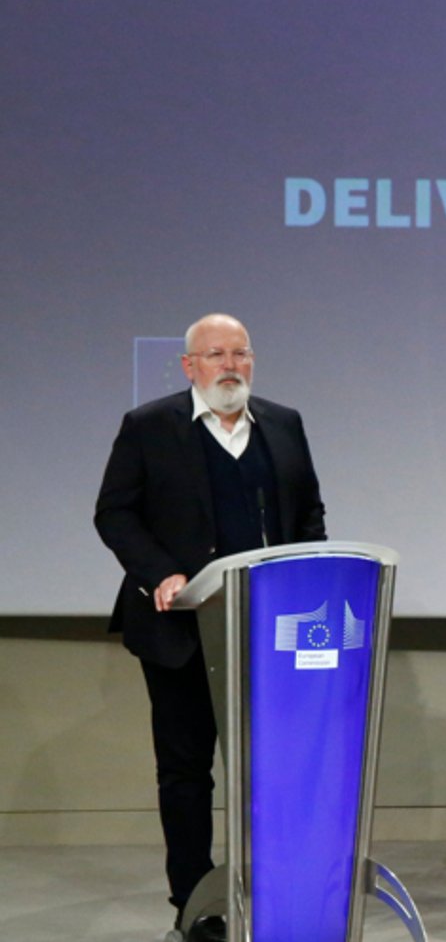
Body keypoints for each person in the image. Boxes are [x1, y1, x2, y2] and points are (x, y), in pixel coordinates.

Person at [93, 313, 327, 942]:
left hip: (269, 632)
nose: (231, 365)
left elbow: (307, 512)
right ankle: (196, 905)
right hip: (179, 629)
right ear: (189, 365)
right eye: (216, 354)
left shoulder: (283, 423)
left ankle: (275, 892)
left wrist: (309, 579)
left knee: (272, 770)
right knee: (187, 771)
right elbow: (115, 513)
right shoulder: (149, 427)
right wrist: (162, 574)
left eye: (241, 353)